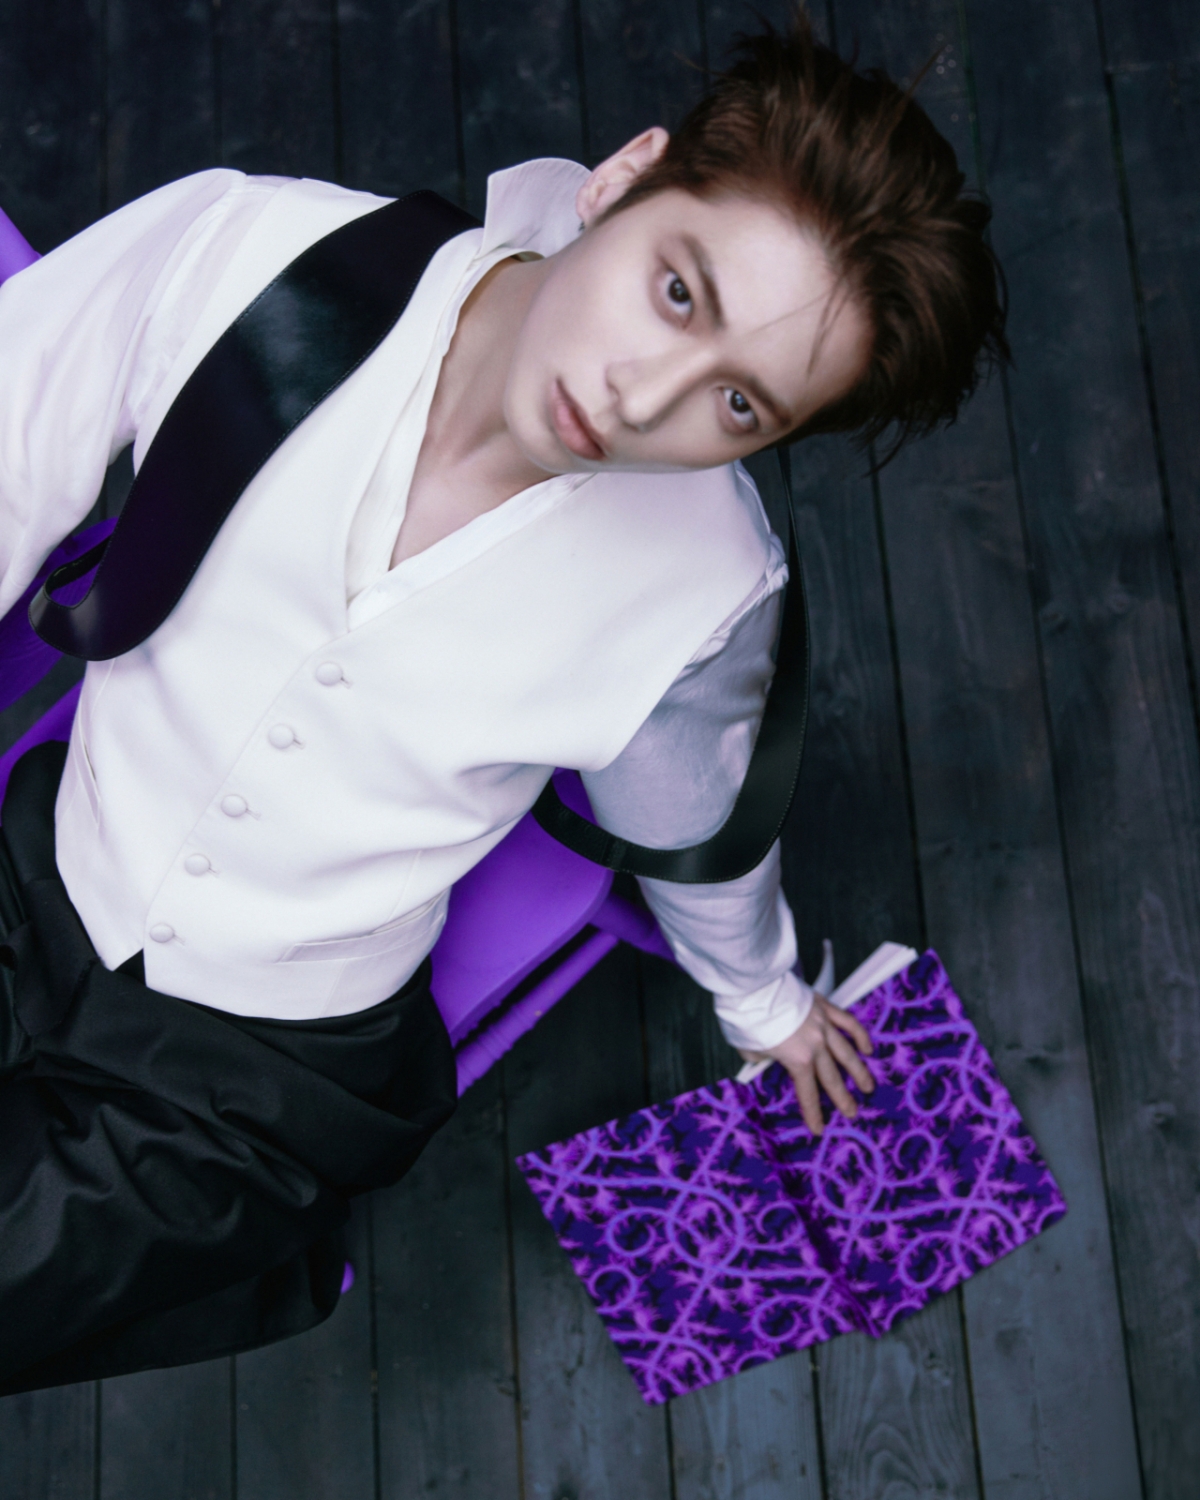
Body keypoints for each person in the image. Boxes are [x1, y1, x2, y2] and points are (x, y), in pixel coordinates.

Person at [0, 15, 1006, 1390]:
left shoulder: (708, 598)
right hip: (41, 864)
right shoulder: (242, 252)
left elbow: (696, 830)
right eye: (678, 293)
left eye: (737, 405)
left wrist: (765, 998)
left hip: (259, 1072)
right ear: (625, 177)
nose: (644, 397)